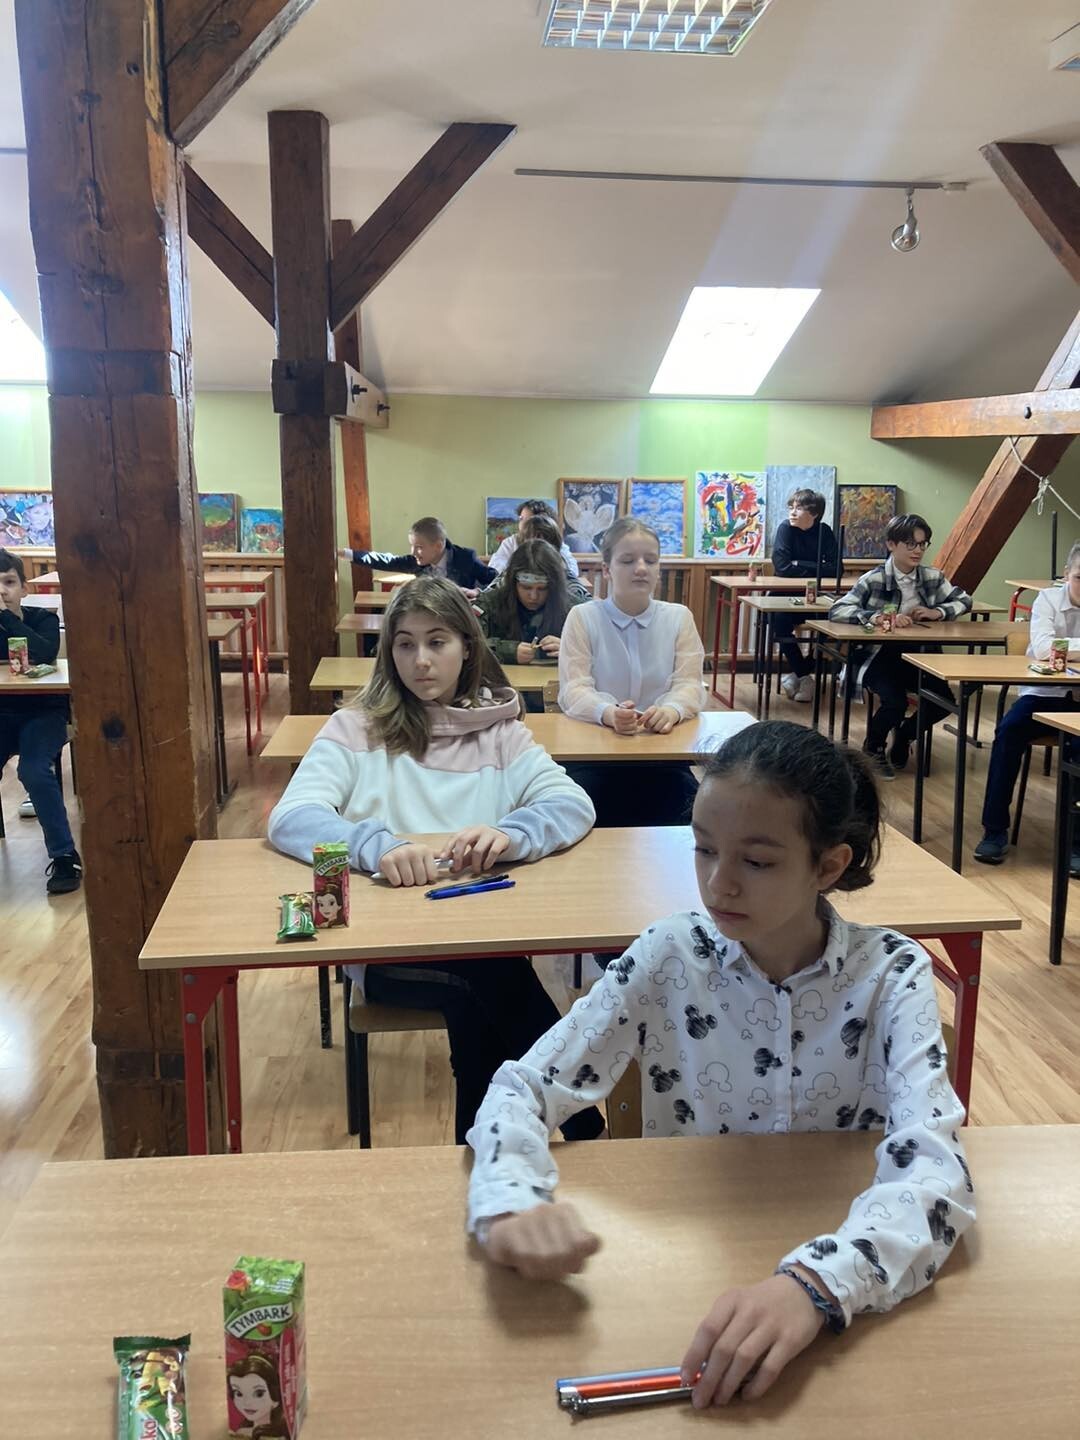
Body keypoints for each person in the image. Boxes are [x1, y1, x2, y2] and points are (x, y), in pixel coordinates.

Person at [467, 721, 974, 1410]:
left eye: (756, 862)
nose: (718, 883)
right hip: (688, 1274)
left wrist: (817, 1285)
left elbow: (936, 1170)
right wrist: (509, 1198)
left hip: (844, 1273)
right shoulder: (672, 953)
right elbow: (523, 1086)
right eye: (704, 849)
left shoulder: (890, 972)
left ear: (828, 867)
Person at [267, 576, 604, 1146]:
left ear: (466, 648)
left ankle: (490, 1151)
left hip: (477, 931)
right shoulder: (357, 727)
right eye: (405, 644)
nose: (420, 660)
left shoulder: (498, 732)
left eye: (437, 641)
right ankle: (579, 1121)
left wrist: (510, 834)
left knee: (483, 984)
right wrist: (379, 845)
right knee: (487, 981)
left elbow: (572, 804)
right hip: (387, 949)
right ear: (389, 651)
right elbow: (292, 816)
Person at [557, 517, 705, 825]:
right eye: (627, 561)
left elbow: (690, 684)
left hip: (662, 755)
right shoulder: (583, 617)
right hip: (594, 755)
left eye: (650, 560)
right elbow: (573, 689)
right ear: (607, 569)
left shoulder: (678, 618)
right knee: (579, 818)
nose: (641, 568)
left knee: (694, 817)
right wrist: (608, 713)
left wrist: (672, 710)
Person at [828, 514, 971, 780]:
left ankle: (905, 735)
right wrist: (875, 617)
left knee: (944, 702)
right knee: (895, 701)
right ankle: (873, 747)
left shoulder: (931, 577)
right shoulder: (873, 579)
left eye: (922, 544)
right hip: (878, 655)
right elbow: (838, 609)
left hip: (919, 655)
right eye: (911, 544)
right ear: (892, 545)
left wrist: (937, 612)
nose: (918, 550)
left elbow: (964, 600)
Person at [974, 542, 1080, 867]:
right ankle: (994, 830)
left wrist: (1068, 649)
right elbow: (1046, 648)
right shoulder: (1047, 599)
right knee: (1008, 732)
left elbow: (1057, 648)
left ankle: (1076, 842)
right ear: (1066, 575)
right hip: (1043, 695)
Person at [0, 549, 82, 894]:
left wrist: (7, 619)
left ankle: (64, 856)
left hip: (43, 712)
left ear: (24, 588)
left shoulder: (42, 619)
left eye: (9, 582)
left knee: (33, 770)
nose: (2, 591)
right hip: (3, 714)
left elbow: (45, 652)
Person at [473, 537, 588, 671]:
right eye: (526, 587)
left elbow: (600, 648)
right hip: (503, 681)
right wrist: (507, 651)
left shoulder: (575, 608)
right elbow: (468, 643)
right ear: (513, 583)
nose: (533, 596)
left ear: (554, 587)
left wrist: (570, 648)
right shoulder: (490, 603)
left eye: (542, 589)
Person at [772, 488, 838, 703]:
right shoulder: (785, 528)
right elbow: (782, 567)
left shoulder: (824, 532)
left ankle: (799, 673)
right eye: (791, 507)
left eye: (799, 508)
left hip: (815, 597)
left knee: (834, 622)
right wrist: (818, 568)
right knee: (778, 621)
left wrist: (799, 564)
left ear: (815, 514)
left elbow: (836, 569)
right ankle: (804, 676)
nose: (792, 512)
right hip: (784, 596)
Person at [337, 516, 495, 596]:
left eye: (419, 547)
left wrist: (477, 592)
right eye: (411, 546)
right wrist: (346, 553)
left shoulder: (466, 558)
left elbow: (495, 581)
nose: (413, 552)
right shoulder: (417, 561)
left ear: (438, 545)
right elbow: (386, 561)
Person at [489, 499, 581, 578]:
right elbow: (496, 565)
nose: (523, 524)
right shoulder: (511, 541)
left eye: (528, 520)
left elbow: (572, 569)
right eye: (521, 519)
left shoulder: (553, 539)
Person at [226, 1353, 289, 1438]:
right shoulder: (242, 1431)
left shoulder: (278, 1435)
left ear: (275, 1394)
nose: (247, 1402)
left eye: (259, 1394)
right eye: (238, 1394)